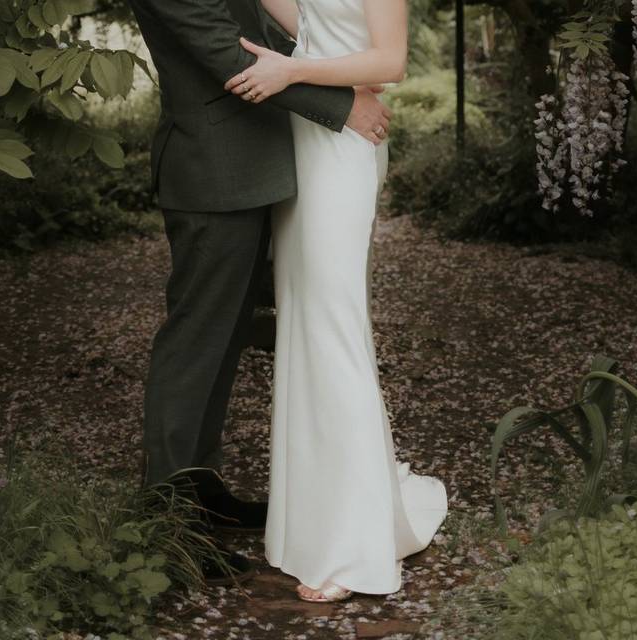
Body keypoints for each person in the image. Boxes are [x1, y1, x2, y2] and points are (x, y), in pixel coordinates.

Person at [128, 0, 393, 586]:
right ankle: (166, 527)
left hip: (252, 166)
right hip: (212, 173)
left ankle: (202, 493)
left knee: (224, 346)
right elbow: (227, 54)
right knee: (195, 347)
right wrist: (342, 104)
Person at [223, 0, 450, 603]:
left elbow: (391, 59)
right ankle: (315, 528)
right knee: (305, 323)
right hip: (306, 135)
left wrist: (292, 73)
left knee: (332, 328)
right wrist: (311, 66)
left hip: (343, 148)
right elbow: (316, 23)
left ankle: (352, 547)